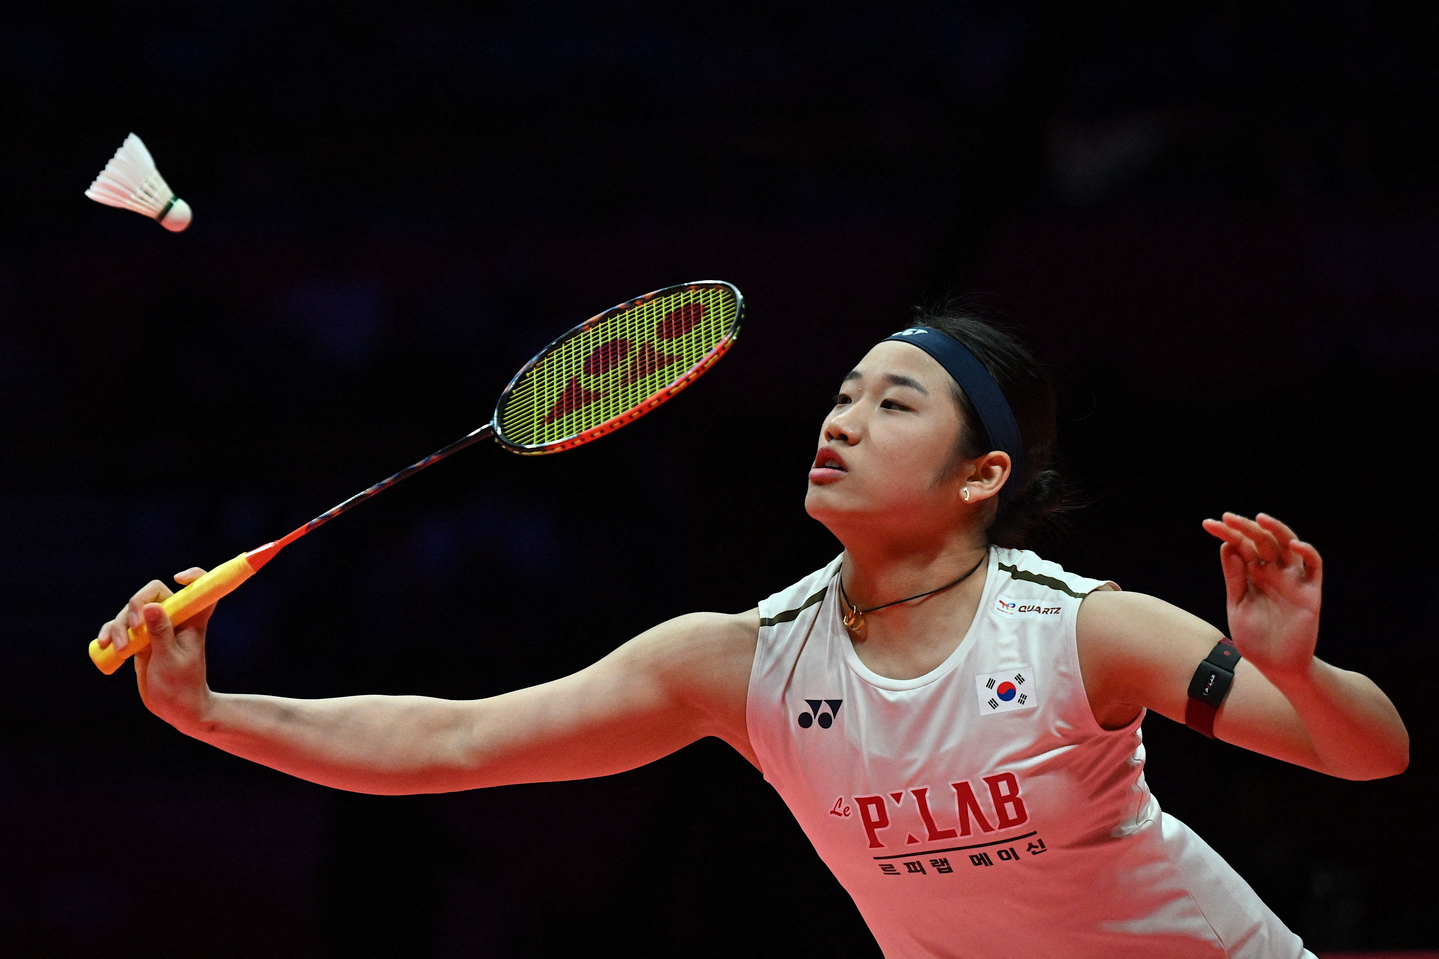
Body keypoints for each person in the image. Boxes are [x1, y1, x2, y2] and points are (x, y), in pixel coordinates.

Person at [97, 308, 1408, 958]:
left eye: (894, 405)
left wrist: (1294, 667)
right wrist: (208, 713)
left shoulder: (1086, 636)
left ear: (981, 476)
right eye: (841, 397)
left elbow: (1367, 757)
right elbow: (455, 744)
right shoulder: (740, 665)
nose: (840, 420)